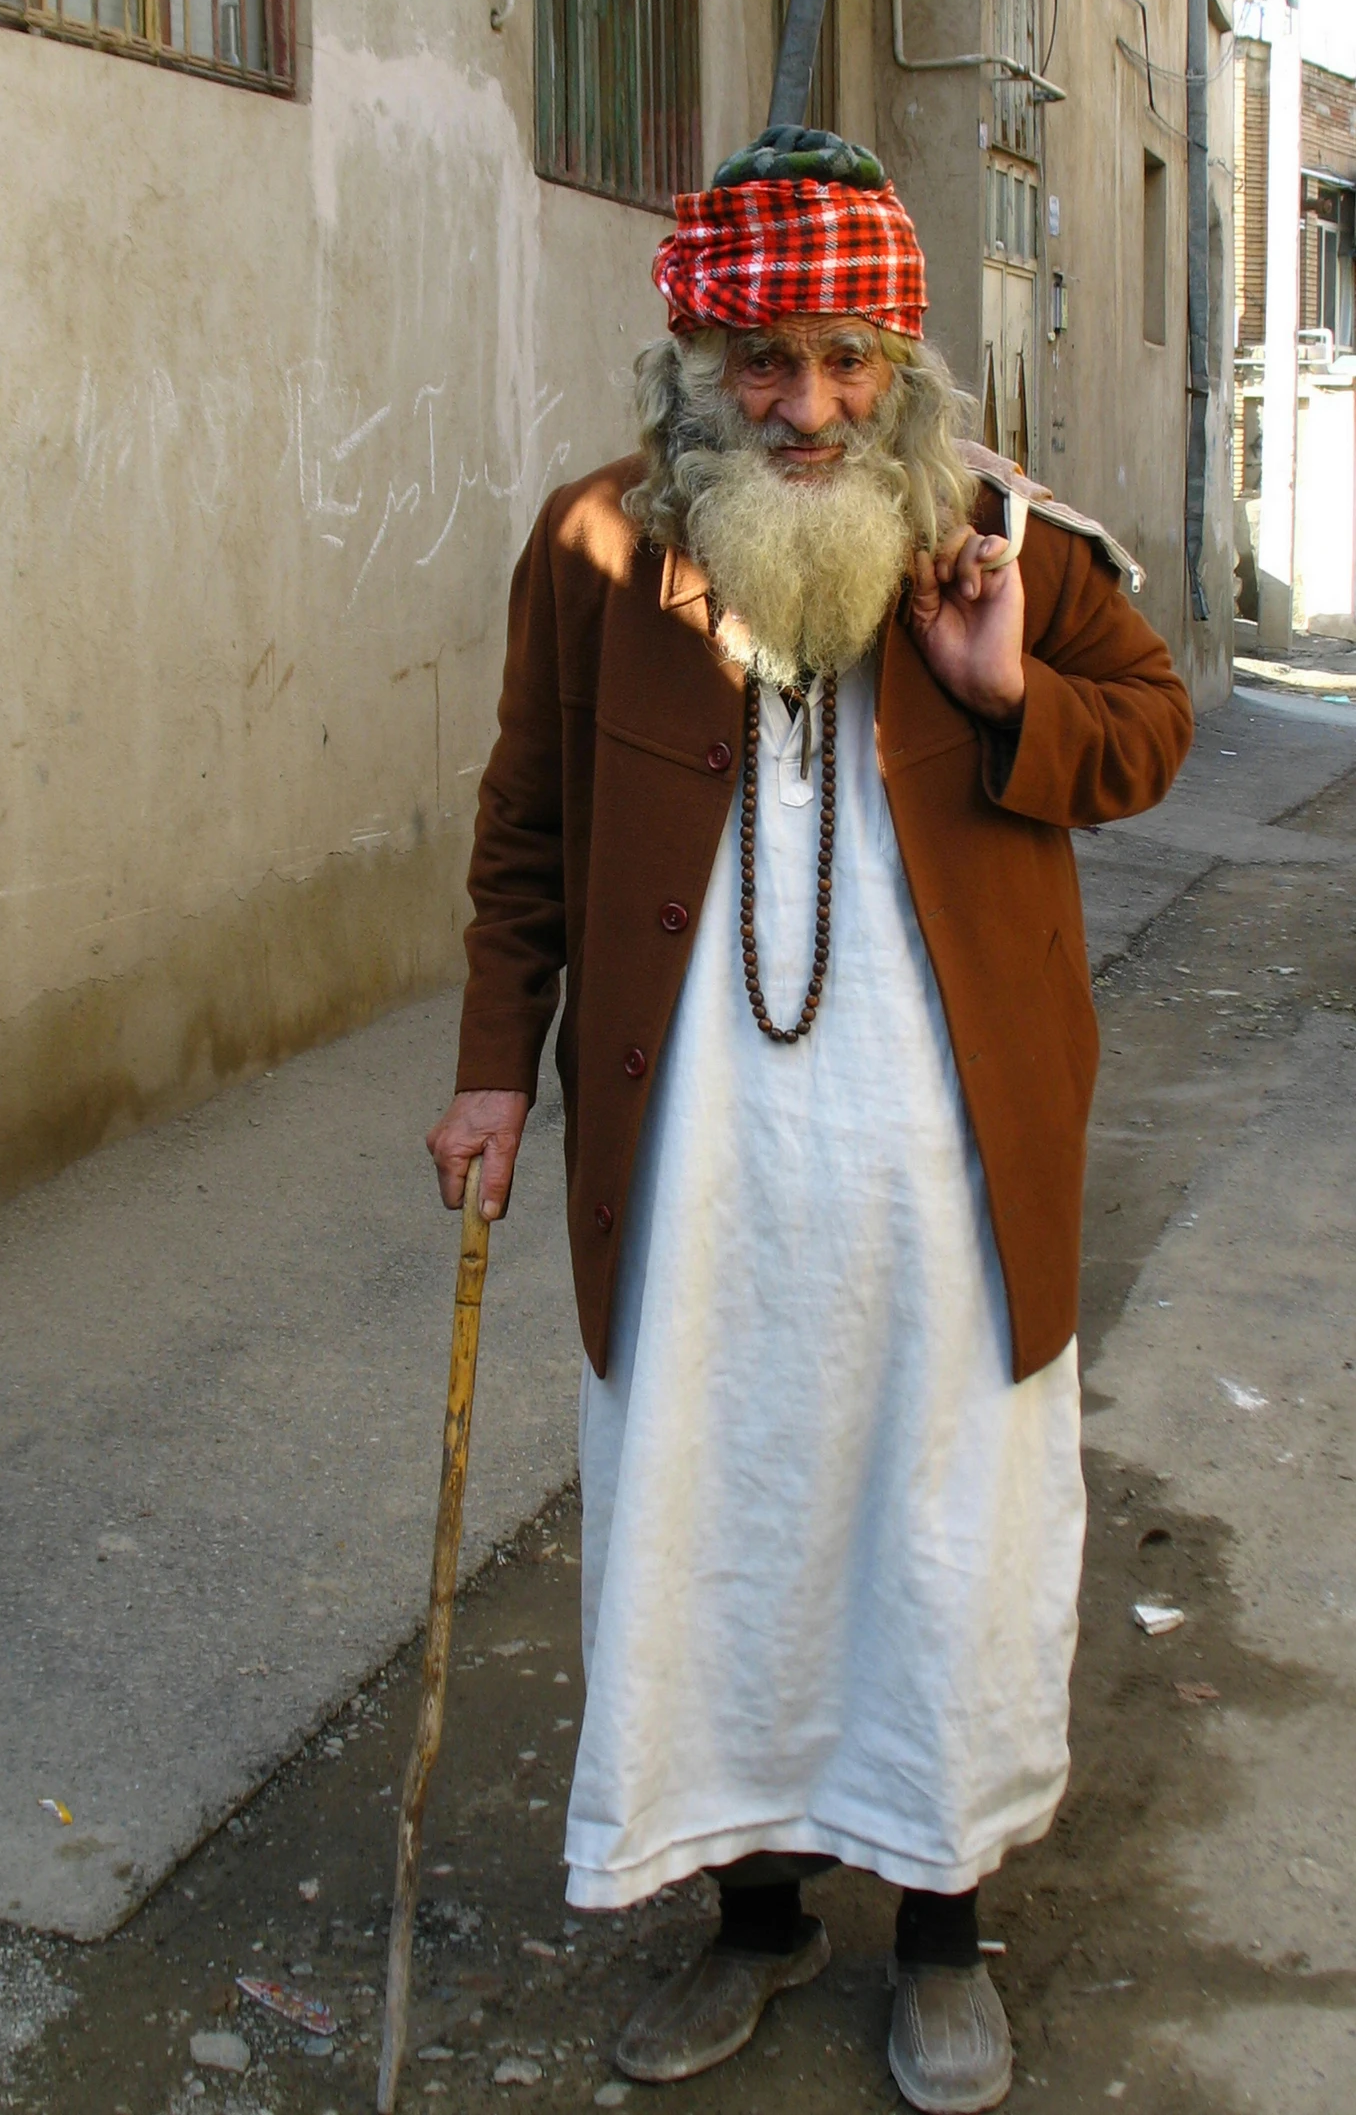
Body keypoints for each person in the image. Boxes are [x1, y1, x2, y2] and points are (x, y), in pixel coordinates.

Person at [426, 130, 1193, 2113]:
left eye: (845, 359)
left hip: (939, 1164)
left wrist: (1006, 683)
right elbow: (524, 832)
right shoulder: (599, 544)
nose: (806, 404)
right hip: (692, 1162)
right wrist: (495, 1063)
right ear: (692, 358)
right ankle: (749, 1908)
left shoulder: (1013, 540)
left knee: (937, 1521)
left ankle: (940, 1927)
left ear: (903, 361)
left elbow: (1151, 734)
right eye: (761, 361)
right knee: (713, 1507)